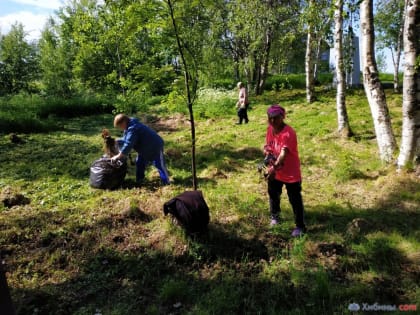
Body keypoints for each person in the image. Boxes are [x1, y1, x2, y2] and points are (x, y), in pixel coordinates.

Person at [263, 104, 306, 237]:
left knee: (294, 199)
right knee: (273, 194)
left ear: (282, 117)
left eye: (275, 118)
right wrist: (267, 154)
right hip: (275, 169)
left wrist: (273, 168)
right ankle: (275, 217)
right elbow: (269, 145)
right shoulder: (270, 129)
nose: (272, 121)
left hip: (290, 172)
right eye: (270, 118)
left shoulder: (288, 133)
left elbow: (283, 154)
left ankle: (300, 226)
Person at [111, 114, 170, 185]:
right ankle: (139, 181)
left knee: (159, 165)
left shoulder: (133, 128)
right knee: (139, 163)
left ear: (124, 122)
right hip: (144, 149)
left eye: (120, 126)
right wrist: (117, 141)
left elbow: (129, 144)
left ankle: (166, 182)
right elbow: (127, 139)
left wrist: (119, 156)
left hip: (154, 146)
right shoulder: (129, 126)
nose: (121, 128)